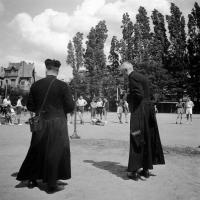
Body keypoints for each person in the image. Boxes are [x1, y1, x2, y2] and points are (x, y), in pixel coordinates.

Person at [16, 59, 74, 192]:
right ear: (57, 71)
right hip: (58, 123)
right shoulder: (63, 86)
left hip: (40, 122)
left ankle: (32, 179)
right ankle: (52, 183)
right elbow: (70, 107)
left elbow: (30, 106)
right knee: (55, 152)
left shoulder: (36, 85)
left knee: (36, 149)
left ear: (46, 70)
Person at [119, 61, 165, 180]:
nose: (123, 75)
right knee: (146, 137)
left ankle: (133, 170)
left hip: (139, 110)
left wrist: (127, 97)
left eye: (122, 72)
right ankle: (146, 169)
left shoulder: (132, 77)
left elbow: (138, 94)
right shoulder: (142, 77)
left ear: (125, 70)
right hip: (148, 110)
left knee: (136, 136)